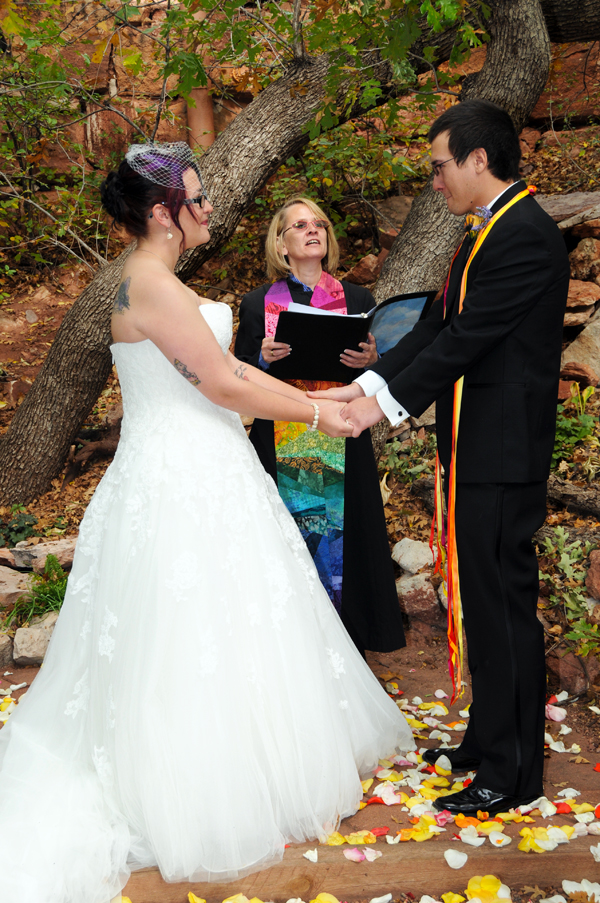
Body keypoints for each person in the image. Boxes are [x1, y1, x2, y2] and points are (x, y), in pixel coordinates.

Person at [0, 144, 414, 902]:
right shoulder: (150, 284)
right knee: (186, 629)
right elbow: (222, 384)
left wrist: (321, 401)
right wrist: (322, 414)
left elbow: (238, 370)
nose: (210, 207)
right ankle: (197, 790)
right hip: (177, 477)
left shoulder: (159, 278)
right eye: (198, 198)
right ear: (163, 213)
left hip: (210, 465)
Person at [311, 100, 569, 816]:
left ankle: (513, 773)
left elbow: (468, 339)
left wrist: (379, 410)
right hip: (474, 446)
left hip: (503, 453)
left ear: (478, 159)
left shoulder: (526, 235)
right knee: (480, 603)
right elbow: (434, 327)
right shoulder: (483, 230)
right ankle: (487, 739)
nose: (434, 181)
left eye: (438, 166)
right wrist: (364, 385)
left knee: (503, 608)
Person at [234, 196, 405, 657]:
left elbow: (381, 369)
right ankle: (295, 652)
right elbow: (236, 374)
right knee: (285, 539)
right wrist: (260, 359)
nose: (313, 230)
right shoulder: (257, 304)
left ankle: (349, 646)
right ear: (281, 244)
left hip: (342, 432)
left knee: (348, 536)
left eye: (319, 224)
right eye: (300, 225)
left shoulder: (359, 299)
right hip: (281, 435)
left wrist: (373, 360)